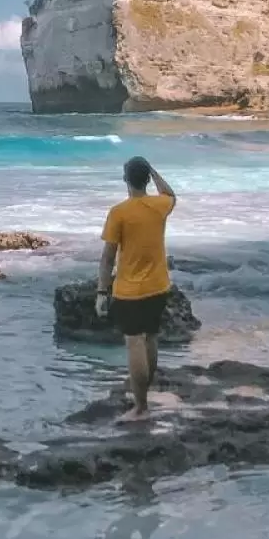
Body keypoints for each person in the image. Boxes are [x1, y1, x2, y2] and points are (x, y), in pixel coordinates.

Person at [96, 156, 177, 423]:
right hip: (159, 286)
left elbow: (108, 258)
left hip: (130, 291)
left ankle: (140, 407)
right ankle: (144, 396)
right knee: (151, 338)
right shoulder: (159, 206)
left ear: (125, 180)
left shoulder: (119, 212)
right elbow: (170, 194)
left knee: (134, 343)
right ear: (146, 179)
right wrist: (153, 170)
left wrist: (101, 293)